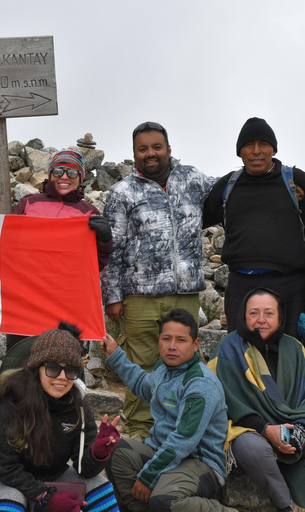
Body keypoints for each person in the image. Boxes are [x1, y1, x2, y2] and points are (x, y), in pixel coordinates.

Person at [101, 121, 215, 437]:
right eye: (143, 149)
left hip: (186, 294)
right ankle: (140, 431)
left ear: (168, 149)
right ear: (135, 153)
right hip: (138, 297)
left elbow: (235, 188)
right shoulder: (121, 192)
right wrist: (111, 296)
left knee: (185, 363)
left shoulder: (195, 179)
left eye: (156, 147)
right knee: (142, 365)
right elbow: (112, 247)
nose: (150, 154)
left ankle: (188, 426)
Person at [208, 288, 305, 512]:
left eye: (269, 313)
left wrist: (302, 429)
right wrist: (267, 429)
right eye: (253, 313)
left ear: (280, 319)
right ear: (243, 316)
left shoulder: (294, 348)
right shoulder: (228, 350)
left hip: (295, 432)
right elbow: (223, 404)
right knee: (251, 446)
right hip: (253, 433)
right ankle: (286, 504)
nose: (261, 320)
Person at [0, 327, 121, 512]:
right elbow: (5, 468)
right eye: (53, 368)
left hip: (51, 476)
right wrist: (46, 497)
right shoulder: (9, 401)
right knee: (12, 501)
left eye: (70, 370)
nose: (62, 377)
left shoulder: (78, 406)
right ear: (36, 367)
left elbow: (84, 470)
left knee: (100, 487)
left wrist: (98, 452)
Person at [203, 117, 305, 337]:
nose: (256, 151)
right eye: (248, 145)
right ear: (239, 152)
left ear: (274, 149)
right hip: (240, 285)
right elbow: (195, 220)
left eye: (263, 144)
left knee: (289, 353)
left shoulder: (295, 181)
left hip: (290, 285)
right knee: (242, 353)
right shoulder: (228, 186)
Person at [101, 309, 236, 512]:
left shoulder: (201, 384)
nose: (172, 346)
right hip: (162, 451)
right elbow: (143, 386)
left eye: (181, 340)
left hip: (199, 463)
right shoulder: (163, 368)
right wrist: (116, 355)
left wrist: (148, 477)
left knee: (165, 500)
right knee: (114, 452)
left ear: (195, 344)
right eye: (166, 339)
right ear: (159, 341)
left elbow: (183, 440)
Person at [9, 149, 114, 351]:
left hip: (68, 303)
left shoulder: (89, 212)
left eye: (72, 173)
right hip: (26, 300)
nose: (64, 177)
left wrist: (105, 239)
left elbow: (96, 263)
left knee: (63, 362)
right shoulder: (28, 203)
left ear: (80, 178)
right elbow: (10, 246)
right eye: (58, 171)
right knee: (19, 361)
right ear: (50, 175)